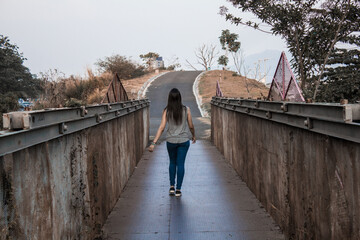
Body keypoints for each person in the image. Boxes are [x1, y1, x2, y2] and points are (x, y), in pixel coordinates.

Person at [148, 88, 196, 197]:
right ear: (180, 97)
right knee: (181, 164)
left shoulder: (167, 110)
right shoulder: (186, 109)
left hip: (171, 141)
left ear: (169, 98)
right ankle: (178, 189)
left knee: (172, 163)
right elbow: (191, 125)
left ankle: (171, 187)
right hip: (184, 141)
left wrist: (153, 143)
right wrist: (193, 136)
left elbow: (162, 127)